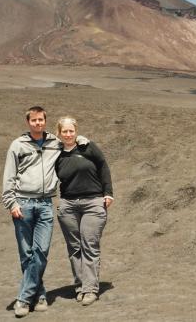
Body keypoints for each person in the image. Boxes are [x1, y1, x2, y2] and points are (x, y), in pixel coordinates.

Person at [1, 106, 59, 317]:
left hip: (45, 204)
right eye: (33, 120)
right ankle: (40, 294)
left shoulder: (55, 143)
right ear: (28, 122)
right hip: (23, 204)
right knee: (26, 253)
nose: (38, 123)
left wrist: (81, 140)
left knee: (40, 251)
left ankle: (24, 298)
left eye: (41, 120)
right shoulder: (18, 145)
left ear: (45, 120)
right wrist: (11, 203)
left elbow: (71, 144)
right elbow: (9, 176)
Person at [55, 116, 114, 306]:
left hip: (93, 202)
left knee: (89, 243)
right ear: (59, 133)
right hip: (68, 204)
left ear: (76, 131)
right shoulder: (55, 152)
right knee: (74, 247)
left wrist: (108, 193)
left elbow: (103, 166)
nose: (68, 134)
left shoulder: (87, 147)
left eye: (71, 131)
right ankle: (80, 286)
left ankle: (90, 289)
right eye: (64, 131)